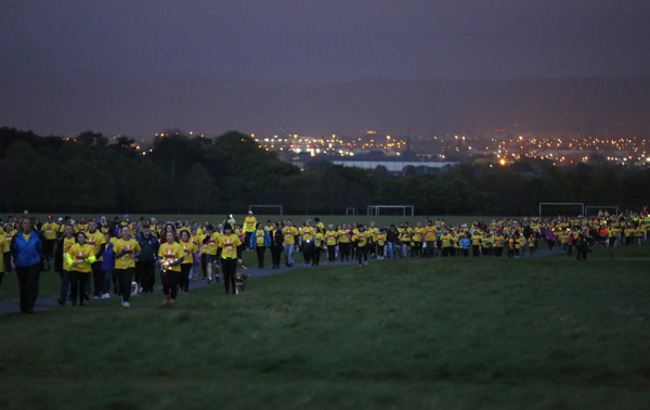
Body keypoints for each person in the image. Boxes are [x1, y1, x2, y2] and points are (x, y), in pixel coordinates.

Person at [10, 216, 48, 313]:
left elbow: (42, 250)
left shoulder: (37, 236)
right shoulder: (17, 236)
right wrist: (12, 261)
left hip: (33, 263)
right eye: (24, 223)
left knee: (31, 284)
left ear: (31, 225)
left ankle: (30, 305)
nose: (26, 225)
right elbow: (13, 250)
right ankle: (23, 306)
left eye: (28, 223)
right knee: (22, 285)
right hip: (20, 263)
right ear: (21, 225)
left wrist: (44, 261)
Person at [113, 226, 141, 308]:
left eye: (127, 231)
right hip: (119, 266)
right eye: (124, 231)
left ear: (129, 232)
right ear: (121, 233)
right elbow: (115, 255)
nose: (125, 232)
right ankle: (123, 296)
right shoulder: (118, 243)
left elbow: (139, 251)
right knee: (121, 284)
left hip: (130, 265)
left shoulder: (134, 242)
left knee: (127, 283)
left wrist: (135, 255)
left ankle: (126, 300)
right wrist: (122, 252)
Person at [66, 232, 96, 306]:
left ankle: (81, 301)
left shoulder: (88, 247)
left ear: (85, 238)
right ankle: (74, 300)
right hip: (75, 269)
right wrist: (71, 262)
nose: (81, 239)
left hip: (85, 270)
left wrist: (87, 258)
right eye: (79, 237)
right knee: (74, 284)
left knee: (82, 286)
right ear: (77, 238)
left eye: (82, 237)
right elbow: (68, 256)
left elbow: (93, 259)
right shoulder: (74, 247)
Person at [158, 230, 184, 304]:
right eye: (167, 236)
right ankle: (167, 296)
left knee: (173, 285)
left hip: (175, 269)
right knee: (165, 284)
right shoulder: (162, 246)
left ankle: (173, 298)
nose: (168, 237)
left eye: (170, 236)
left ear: (173, 237)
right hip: (164, 268)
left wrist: (171, 264)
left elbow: (181, 258)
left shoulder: (178, 246)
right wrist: (161, 263)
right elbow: (159, 256)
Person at [218, 224, 243, 295]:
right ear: (224, 230)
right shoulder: (222, 238)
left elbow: (239, 247)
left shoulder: (235, 237)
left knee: (232, 275)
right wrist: (217, 258)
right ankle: (227, 290)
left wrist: (240, 257)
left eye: (229, 229)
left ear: (231, 230)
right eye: (226, 230)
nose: (227, 231)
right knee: (226, 275)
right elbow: (219, 248)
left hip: (233, 258)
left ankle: (234, 289)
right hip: (224, 258)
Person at [55, 224, 76, 306]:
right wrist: (57, 268)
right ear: (65, 231)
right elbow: (58, 255)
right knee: (64, 284)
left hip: (75, 266)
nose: (69, 231)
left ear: (73, 230)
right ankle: (62, 299)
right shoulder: (61, 241)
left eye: (70, 229)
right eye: (67, 229)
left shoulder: (76, 240)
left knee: (74, 284)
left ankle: (74, 299)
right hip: (65, 266)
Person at [136, 222, 160, 294]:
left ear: (149, 229)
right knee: (142, 276)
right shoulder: (139, 239)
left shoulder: (154, 239)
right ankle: (144, 289)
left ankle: (150, 287)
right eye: (144, 228)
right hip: (141, 261)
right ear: (142, 230)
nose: (146, 230)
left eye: (147, 228)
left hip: (151, 261)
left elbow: (158, 249)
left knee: (151, 275)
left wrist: (157, 259)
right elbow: (135, 249)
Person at [85, 219, 106, 301]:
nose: (91, 226)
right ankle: (86, 293)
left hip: (97, 260)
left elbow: (102, 248)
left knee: (97, 278)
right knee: (86, 277)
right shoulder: (85, 235)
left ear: (96, 226)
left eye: (93, 225)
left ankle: (96, 293)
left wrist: (95, 257)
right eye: (89, 225)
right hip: (87, 260)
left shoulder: (100, 235)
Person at [101, 232, 115, 299]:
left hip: (109, 265)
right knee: (102, 279)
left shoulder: (112, 246)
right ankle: (103, 292)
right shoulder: (101, 246)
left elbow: (114, 256)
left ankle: (106, 292)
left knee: (107, 278)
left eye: (107, 237)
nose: (106, 238)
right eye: (105, 237)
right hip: (101, 265)